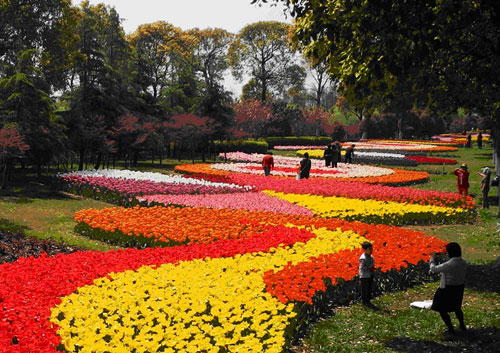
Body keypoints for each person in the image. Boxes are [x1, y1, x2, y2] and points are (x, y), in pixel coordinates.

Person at [429, 242, 467, 334]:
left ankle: (451, 329)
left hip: (447, 289)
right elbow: (451, 262)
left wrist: (432, 259)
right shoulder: (463, 262)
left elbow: (434, 269)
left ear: (449, 253)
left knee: (441, 309)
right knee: (457, 307)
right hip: (459, 287)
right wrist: (444, 257)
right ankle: (462, 325)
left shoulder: (449, 264)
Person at [359, 241, 375, 307]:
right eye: (369, 249)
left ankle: (368, 300)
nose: (371, 250)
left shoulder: (371, 257)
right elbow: (362, 268)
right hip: (364, 276)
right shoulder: (363, 258)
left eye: (372, 249)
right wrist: (370, 267)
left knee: (369, 288)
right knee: (364, 289)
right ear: (365, 250)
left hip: (370, 275)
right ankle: (364, 301)